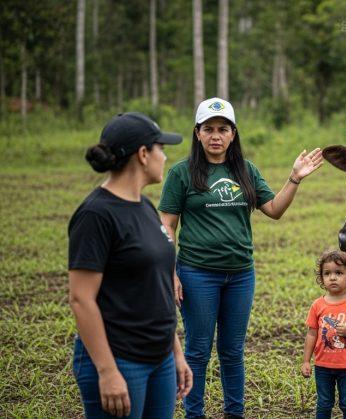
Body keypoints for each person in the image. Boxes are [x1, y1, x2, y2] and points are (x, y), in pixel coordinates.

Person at [158, 97, 323, 419]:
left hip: (241, 275)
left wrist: (295, 178)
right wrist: (170, 271)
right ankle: (195, 414)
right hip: (197, 274)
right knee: (198, 350)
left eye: (223, 129)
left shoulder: (245, 171)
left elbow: (274, 210)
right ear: (197, 133)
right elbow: (167, 225)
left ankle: (235, 413)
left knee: (232, 351)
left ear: (233, 134)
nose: (215, 135)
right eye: (209, 129)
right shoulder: (181, 173)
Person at [68, 112, 193, 419]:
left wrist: (176, 352)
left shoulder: (145, 207)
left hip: (160, 357)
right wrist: (107, 371)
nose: (165, 157)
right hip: (120, 359)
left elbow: (158, 287)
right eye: (161, 149)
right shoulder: (96, 215)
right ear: (142, 154)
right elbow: (81, 299)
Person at [301, 250, 346, 419]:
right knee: (324, 403)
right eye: (327, 273)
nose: (332, 277)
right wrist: (306, 361)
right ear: (322, 278)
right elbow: (311, 334)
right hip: (323, 366)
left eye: (338, 273)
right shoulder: (317, 305)